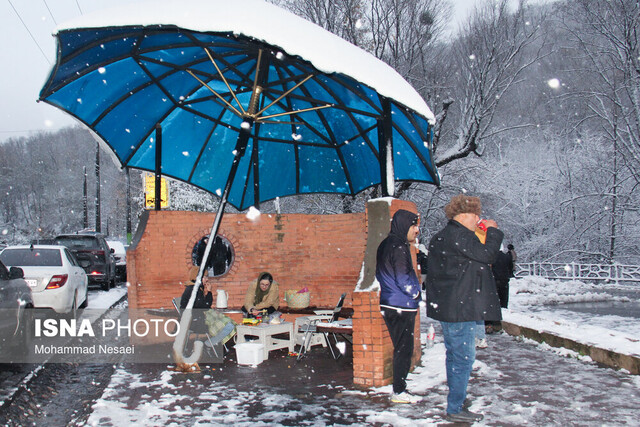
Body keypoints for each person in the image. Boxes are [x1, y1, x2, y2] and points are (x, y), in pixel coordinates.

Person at [426, 194, 503, 423]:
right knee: (463, 359)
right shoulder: (460, 235)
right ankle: (455, 409)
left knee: (454, 356)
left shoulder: (441, 237)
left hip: (450, 307)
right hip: (460, 309)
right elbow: (488, 254)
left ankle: (457, 399)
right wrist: (493, 230)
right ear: (465, 214)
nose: (478, 218)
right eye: (476, 214)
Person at [376, 209, 422, 404]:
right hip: (401, 304)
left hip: (390, 302)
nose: (417, 230)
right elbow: (403, 277)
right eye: (414, 226)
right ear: (404, 225)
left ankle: (400, 388)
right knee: (404, 349)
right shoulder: (399, 247)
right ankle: (399, 391)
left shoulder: (386, 244)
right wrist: (416, 292)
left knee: (401, 347)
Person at [180, 265, 213, 333]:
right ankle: (211, 343)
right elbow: (205, 307)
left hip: (195, 319)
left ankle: (212, 342)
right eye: (205, 277)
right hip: (194, 322)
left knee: (223, 322)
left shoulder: (196, 288)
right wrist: (209, 292)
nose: (207, 279)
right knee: (225, 325)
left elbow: (204, 306)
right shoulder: (193, 290)